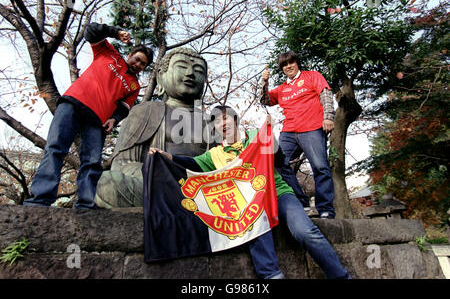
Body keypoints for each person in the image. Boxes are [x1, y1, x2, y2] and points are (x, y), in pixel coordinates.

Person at [149, 105, 350, 279]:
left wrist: (271, 138)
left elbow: (280, 162)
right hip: (250, 204)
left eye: (225, 117)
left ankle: (340, 275)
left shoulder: (256, 136)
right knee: (250, 222)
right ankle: (272, 275)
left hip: (278, 193)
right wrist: (167, 157)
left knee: (306, 232)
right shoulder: (214, 154)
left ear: (235, 120)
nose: (222, 123)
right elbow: (191, 165)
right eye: (217, 122)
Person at [23, 22, 153, 210]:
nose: (138, 64)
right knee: (55, 148)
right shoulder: (109, 54)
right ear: (130, 54)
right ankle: (40, 199)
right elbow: (90, 31)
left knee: (92, 162)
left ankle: (85, 203)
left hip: (98, 119)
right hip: (73, 104)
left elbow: (125, 107)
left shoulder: (134, 86)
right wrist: (115, 32)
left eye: (143, 64)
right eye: (137, 59)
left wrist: (114, 119)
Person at [94, 47, 215, 208]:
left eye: (198, 70)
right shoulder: (146, 111)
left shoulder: (211, 123)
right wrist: (164, 175)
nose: (190, 74)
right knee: (106, 184)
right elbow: (123, 164)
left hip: (199, 189)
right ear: (161, 77)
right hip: (157, 183)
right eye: (182, 66)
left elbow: (219, 166)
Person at [261, 51, 337, 219]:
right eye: (284, 65)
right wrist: (264, 82)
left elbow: (325, 94)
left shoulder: (312, 76)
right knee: (276, 163)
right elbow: (265, 100)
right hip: (289, 131)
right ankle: (301, 202)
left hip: (312, 128)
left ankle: (325, 209)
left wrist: (329, 117)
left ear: (297, 62)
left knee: (320, 167)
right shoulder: (282, 88)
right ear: (282, 68)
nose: (288, 66)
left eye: (291, 62)